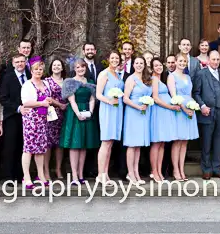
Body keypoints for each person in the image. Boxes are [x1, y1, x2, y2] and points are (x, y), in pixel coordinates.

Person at [60, 59, 99, 185]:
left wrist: (90, 112)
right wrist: (78, 114)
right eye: (78, 67)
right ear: (74, 69)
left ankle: (81, 174)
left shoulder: (91, 83)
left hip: (87, 113)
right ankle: (74, 176)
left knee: (84, 145)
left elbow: (93, 99)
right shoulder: (70, 82)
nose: (80, 69)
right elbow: (72, 101)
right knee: (75, 145)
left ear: (85, 68)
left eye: (83, 67)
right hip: (74, 114)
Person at [192, 50, 220, 179]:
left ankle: (216, 167)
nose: (216, 62)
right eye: (213, 59)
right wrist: (202, 106)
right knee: (207, 142)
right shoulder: (201, 74)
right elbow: (196, 92)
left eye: (218, 60)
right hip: (207, 112)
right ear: (208, 60)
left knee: (219, 141)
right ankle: (206, 169)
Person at [20, 56, 52, 188]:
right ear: (31, 70)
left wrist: (49, 102)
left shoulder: (46, 83)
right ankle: (26, 177)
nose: (38, 71)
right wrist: (42, 103)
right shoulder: (27, 85)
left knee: (41, 149)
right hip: (31, 120)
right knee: (28, 149)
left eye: (40, 69)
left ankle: (41, 175)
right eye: (36, 69)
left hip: (43, 120)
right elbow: (25, 102)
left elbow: (48, 99)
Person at [0, 54, 28, 182]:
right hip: (11, 117)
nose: (20, 64)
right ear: (13, 63)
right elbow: (3, 98)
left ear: (26, 62)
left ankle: (20, 174)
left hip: (28, 117)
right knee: (10, 146)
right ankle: (9, 176)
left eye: (22, 61)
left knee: (23, 146)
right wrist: (17, 108)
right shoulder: (8, 78)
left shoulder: (30, 76)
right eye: (17, 62)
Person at [168, 54, 198, 180]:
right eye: (180, 61)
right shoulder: (171, 76)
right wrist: (184, 109)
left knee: (185, 141)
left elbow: (190, 94)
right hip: (179, 110)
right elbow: (174, 95)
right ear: (176, 62)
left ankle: (182, 168)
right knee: (178, 141)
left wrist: (192, 107)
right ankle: (175, 170)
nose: (182, 63)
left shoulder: (187, 76)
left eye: (184, 61)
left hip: (189, 109)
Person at [123, 57, 152, 185]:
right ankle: (130, 173)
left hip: (143, 113)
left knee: (138, 145)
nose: (139, 65)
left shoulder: (146, 79)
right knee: (132, 144)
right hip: (133, 112)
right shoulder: (131, 79)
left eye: (141, 63)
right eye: (137, 63)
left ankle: (136, 172)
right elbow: (125, 98)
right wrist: (138, 106)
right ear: (133, 65)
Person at [150, 57, 178, 183]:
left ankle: (159, 171)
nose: (159, 67)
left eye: (160, 65)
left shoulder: (161, 79)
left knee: (162, 144)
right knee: (157, 143)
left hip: (164, 114)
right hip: (159, 113)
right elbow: (155, 98)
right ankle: (154, 172)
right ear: (151, 68)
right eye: (156, 65)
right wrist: (170, 107)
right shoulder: (154, 79)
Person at [96, 51, 123, 184]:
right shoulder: (104, 74)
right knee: (105, 142)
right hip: (108, 109)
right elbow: (98, 94)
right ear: (108, 59)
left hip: (117, 110)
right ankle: (100, 174)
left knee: (110, 143)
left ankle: (106, 173)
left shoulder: (117, 75)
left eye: (117, 58)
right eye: (112, 58)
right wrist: (109, 101)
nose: (114, 60)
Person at [43, 58, 67, 180]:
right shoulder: (46, 81)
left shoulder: (67, 81)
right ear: (51, 67)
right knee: (48, 143)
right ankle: (46, 171)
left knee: (60, 144)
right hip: (51, 115)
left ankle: (58, 169)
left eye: (59, 65)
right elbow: (47, 98)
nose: (56, 67)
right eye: (54, 65)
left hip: (65, 116)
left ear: (62, 68)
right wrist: (60, 105)